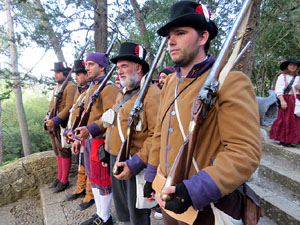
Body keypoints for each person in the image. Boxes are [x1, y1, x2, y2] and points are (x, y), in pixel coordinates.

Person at [144, 1, 261, 224]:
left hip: (206, 206)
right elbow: (159, 135)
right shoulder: (170, 83)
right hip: (168, 199)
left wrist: (194, 190)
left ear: (203, 38)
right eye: (170, 35)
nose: (171, 41)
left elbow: (244, 153)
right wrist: (151, 177)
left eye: (180, 33)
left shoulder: (230, 82)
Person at [104, 42, 160, 225]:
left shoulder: (152, 94)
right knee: (124, 213)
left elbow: (156, 135)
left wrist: (136, 163)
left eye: (124, 66)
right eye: (118, 67)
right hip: (116, 158)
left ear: (138, 68)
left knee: (138, 215)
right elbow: (111, 118)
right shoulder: (123, 92)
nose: (119, 71)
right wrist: (91, 131)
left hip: (135, 163)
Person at [72, 53, 119, 225]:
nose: (87, 68)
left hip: (101, 140)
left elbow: (111, 116)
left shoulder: (109, 88)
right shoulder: (92, 87)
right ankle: (100, 213)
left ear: (102, 67)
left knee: (102, 180)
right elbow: (84, 115)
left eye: (91, 64)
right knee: (93, 179)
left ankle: (105, 217)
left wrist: (91, 132)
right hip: (89, 139)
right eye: (87, 64)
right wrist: (78, 137)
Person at [64, 59, 94, 211]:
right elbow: (74, 113)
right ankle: (80, 188)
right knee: (81, 162)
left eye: (79, 74)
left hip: (87, 134)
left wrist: (76, 136)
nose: (76, 77)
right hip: (78, 133)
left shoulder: (91, 91)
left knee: (87, 165)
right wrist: (68, 131)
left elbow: (86, 117)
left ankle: (90, 194)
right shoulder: (80, 92)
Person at [45, 62, 77, 193]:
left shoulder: (70, 86)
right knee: (57, 151)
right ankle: (59, 178)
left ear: (65, 73)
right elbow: (52, 106)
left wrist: (56, 120)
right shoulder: (57, 87)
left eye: (58, 72)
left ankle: (64, 180)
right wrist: (47, 119)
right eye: (55, 72)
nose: (55, 75)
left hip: (62, 124)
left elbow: (69, 107)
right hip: (54, 124)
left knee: (64, 151)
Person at [270, 58, 300, 147]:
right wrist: (282, 101)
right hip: (286, 99)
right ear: (287, 66)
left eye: (295, 65)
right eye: (291, 65)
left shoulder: (299, 76)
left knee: (296, 121)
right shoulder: (282, 76)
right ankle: (283, 140)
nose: (293, 67)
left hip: (297, 100)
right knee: (284, 120)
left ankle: (294, 140)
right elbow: (278, 90)